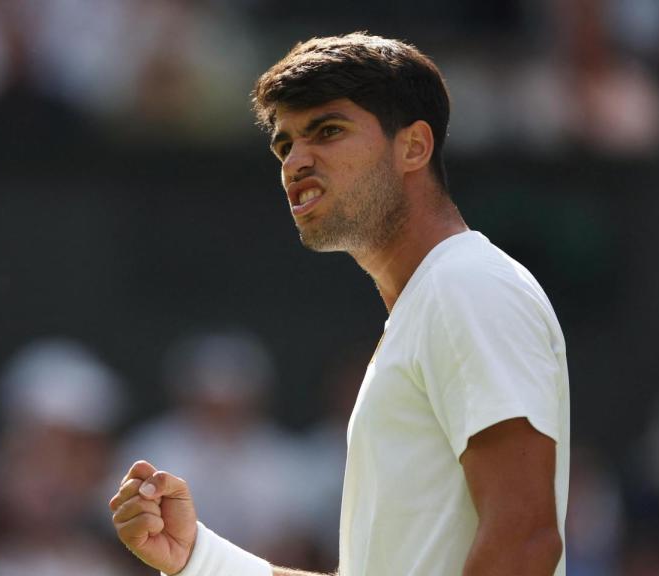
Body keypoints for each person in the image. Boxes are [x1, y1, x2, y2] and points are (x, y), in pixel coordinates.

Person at [109, 32, 570, 576]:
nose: (296, 162)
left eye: (327, 131)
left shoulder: (466, 285)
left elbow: (527, 541)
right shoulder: (434, 300)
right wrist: (200, 559)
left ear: (414, 147)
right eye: (284, 145)